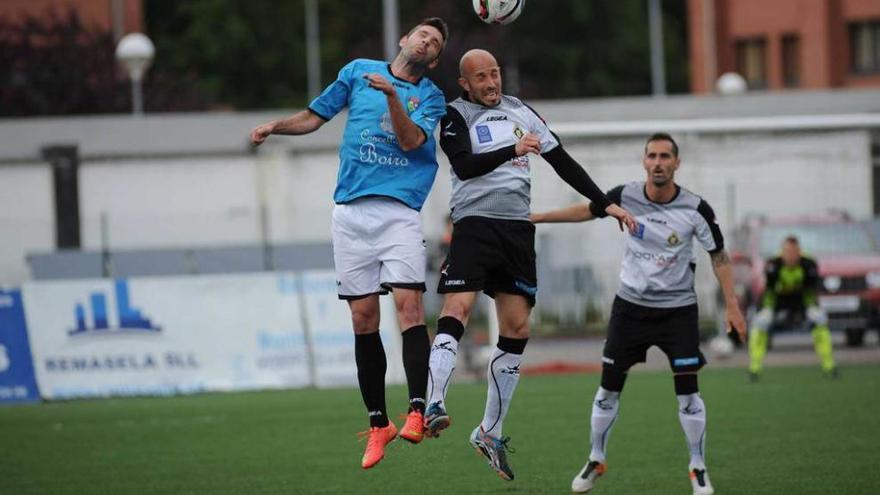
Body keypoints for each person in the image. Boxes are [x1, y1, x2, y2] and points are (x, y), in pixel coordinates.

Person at [422, 48, 636, 481]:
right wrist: (512, 149)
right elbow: (464, 165)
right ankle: (435, 401)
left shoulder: (522, 111)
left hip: (516, 231)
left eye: (495, 73)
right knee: (457, 310)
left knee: (517, 328)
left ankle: (489, 431)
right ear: (465, 83)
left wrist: (604, 202)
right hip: (476, 225)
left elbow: (563, 162)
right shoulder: (454, 115)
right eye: (481, 77)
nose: (491, 82)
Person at [249, 17, 449, 470]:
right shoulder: (358, 69)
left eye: (434, 43)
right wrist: (274, 126)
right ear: (404, 39)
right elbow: (314, 116)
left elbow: (410, 139)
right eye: (422, 33)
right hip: (350, 214)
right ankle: (379, 423)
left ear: (434, 59)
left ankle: (416, 410)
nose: (426, 41)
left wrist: (394, 96)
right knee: (362, 318)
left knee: (409, 307)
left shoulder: (431, 97)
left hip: (398, 212)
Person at [531, 133, 747, 495]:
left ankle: (698, 467)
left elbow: (719, 256)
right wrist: (537, 217)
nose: (658, 162)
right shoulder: (623, 196)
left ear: (677, 163)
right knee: (608, 389)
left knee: (688, 393)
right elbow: (587, 210)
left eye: (665, 156)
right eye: (652, 156)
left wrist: (733, 305)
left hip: (678, 311)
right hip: (630, 308)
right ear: (644, 161)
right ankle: (596, 458)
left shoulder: (696, 208)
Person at [747, 235, 837, 380]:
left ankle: (829, 365)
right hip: (778, 300)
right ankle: (754, 367)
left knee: (820, 319)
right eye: (786, 251)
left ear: (799, 252)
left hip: (801, 300)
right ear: (782, 252)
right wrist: (767, 309)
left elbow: (811, 291)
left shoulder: (809, 264)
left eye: (793, 252)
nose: (790, 256)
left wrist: (811, 307)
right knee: (760, 323)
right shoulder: (773, 264)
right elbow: (769, 291)